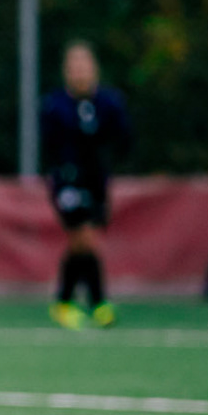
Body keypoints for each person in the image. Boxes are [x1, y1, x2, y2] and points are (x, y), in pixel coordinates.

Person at [40, 41, 131, 329]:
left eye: (84, 65)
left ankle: (64, 302)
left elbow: (123, 138)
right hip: (67, 180)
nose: (80, 71)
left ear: (95, 69)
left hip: (96, 180)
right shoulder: (55, 104)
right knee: (84, 237)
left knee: (82, 244)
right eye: (74, 66)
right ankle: (98, 302)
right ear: (66, 71)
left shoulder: (108, 102)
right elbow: (49, 145)